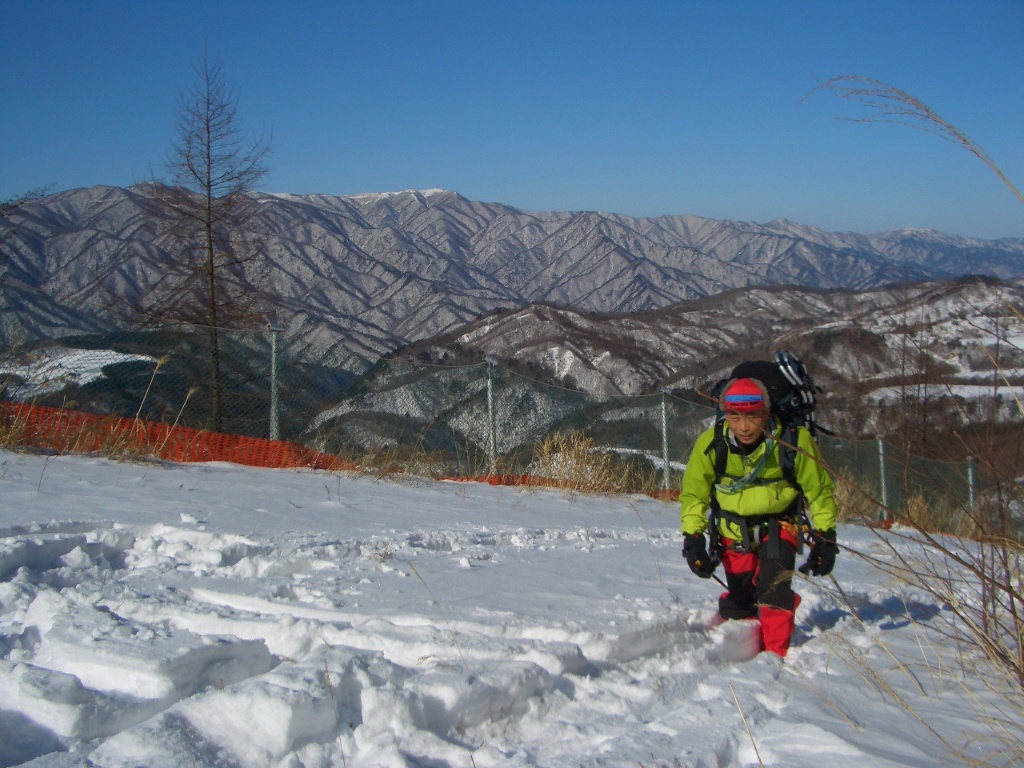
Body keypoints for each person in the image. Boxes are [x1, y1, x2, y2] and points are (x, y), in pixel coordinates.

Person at [679, 376, 839, 657]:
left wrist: (826, 535)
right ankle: (747, 644)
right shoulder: (712, 443)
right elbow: (694, 494)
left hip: (780, 526)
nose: (743, 426)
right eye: (734, 416)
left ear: (766, 413)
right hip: (732, 530)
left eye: (752, 416)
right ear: (725, 414)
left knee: (773, 592)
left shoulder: (792, 441)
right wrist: (692, 538)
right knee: (742, 601)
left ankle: (775, 655)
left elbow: (819, 490)